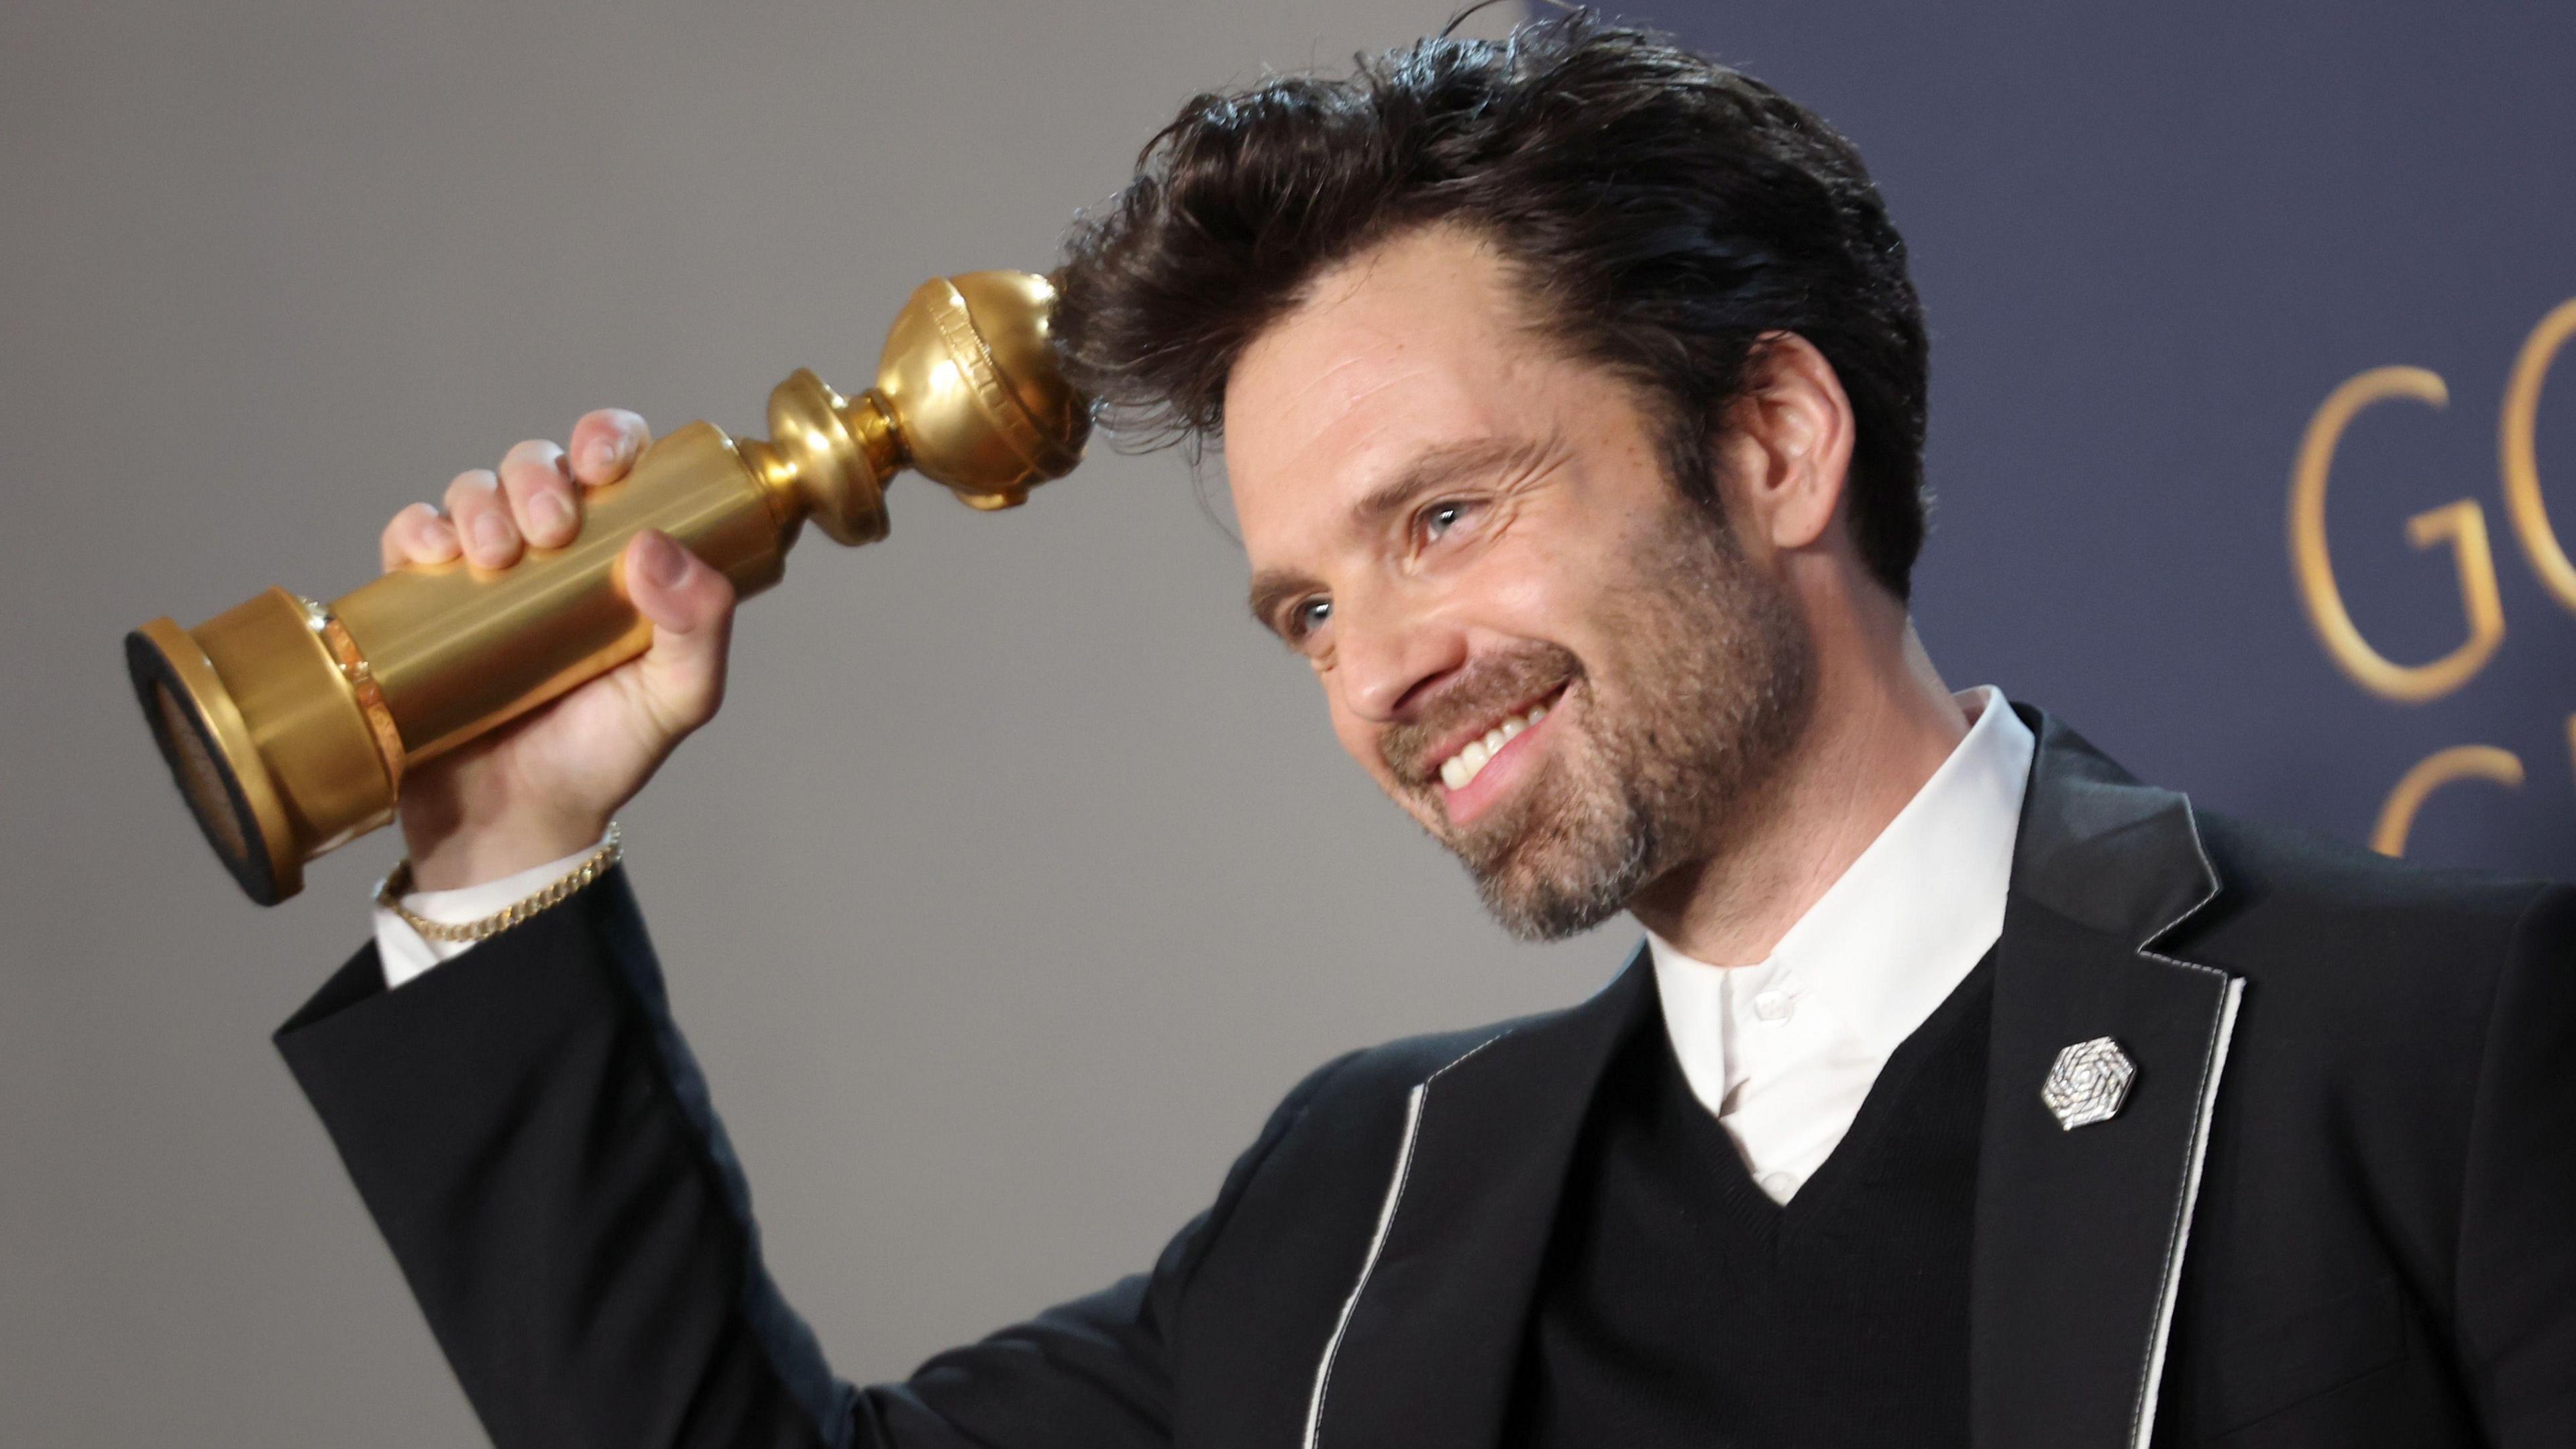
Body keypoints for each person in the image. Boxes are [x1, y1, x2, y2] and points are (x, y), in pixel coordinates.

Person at [276, 15, 2576, 1448]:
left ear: (1774, 441)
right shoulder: (1359, 1209)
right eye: (1305, 606)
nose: (1377, 669)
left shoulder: (2436, 1048)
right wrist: (501, 853)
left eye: (1446, 515)